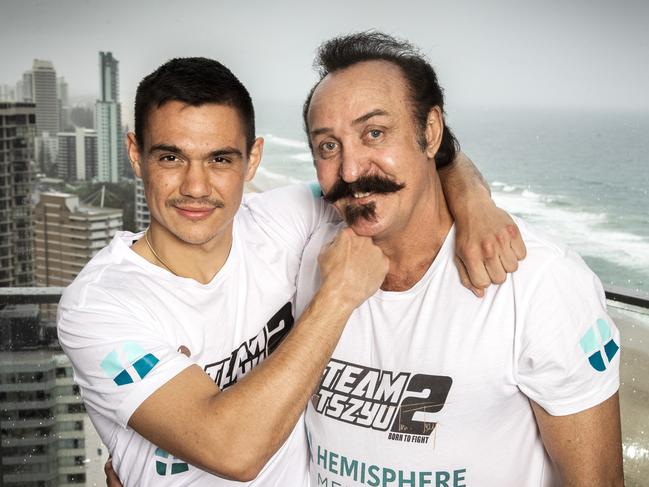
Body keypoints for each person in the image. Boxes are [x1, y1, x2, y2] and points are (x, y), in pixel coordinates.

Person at [60, 58, 523, 486]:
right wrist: (338, 295)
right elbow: (232, 450)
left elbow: (400, 172)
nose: (195, 187)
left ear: (253, 159)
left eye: (220, 159)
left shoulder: (282, 220)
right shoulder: (101, 305)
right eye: (171, 157)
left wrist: (476, 204)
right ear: (136, 155)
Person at [296, 31, 624, 486]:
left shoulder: (538, 282)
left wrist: (471, 194)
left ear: (430, 132)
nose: (350, 171)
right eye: (328, 146)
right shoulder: (304, 249)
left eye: (374, 133)